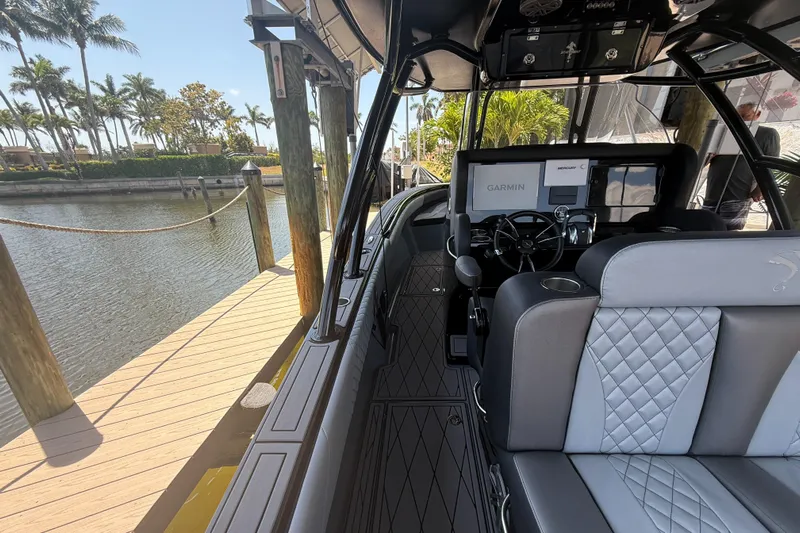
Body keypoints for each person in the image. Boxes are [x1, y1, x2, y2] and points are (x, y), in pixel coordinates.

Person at [703, 102, 781, 230]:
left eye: (745, 116)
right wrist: (709, 156)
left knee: (729, 232)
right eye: (736, 116)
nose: (740, 120)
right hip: (712, 192)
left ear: (758, 115)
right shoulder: (723, 132)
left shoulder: (768, 134)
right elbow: (701, 161)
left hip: (739, 193)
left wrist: (761, 189)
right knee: (705, 229)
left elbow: (771, 164)